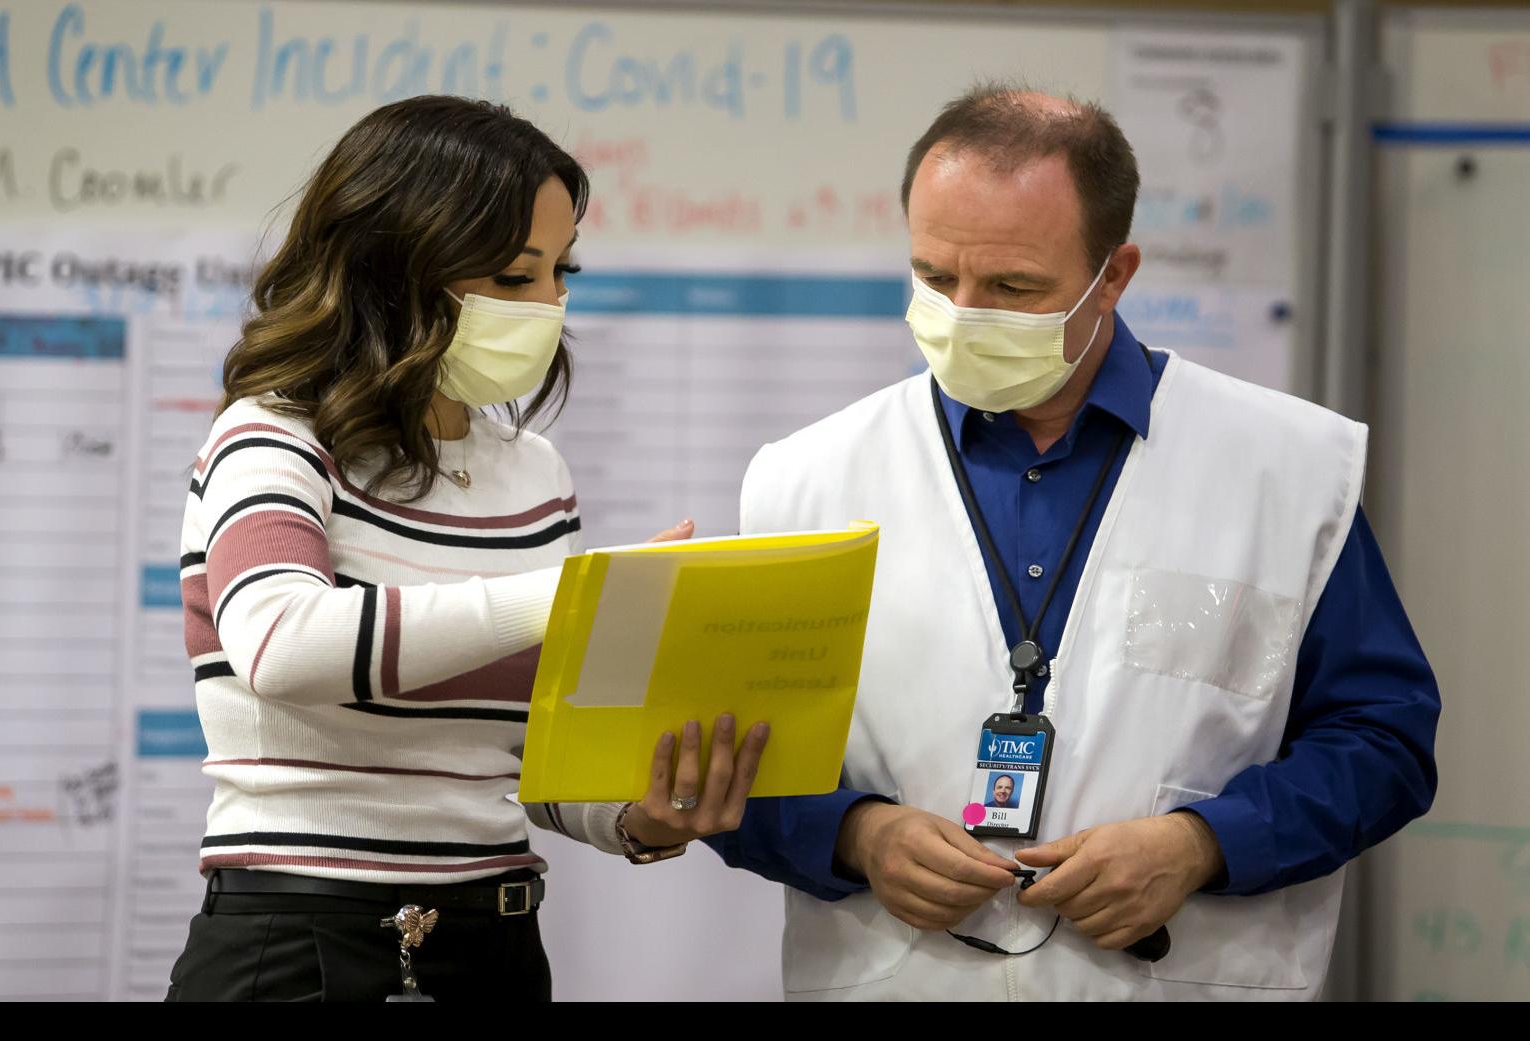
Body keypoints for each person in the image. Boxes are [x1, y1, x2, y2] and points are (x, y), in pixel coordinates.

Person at [706, 84, 1439, 1001]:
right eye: (933, 276)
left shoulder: (1284, 469)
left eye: (1012, 288)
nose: (963, 313)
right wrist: (854, 834)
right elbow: (725, 761)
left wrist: (1203, 844)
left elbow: (1382, 739)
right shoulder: (804, 480)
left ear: (1114, 273)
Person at [166, 95, 768, 1003]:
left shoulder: (535, 472)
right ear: (394, 267)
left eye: (561, 270)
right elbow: (280, 643)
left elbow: (532, 761)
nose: (552, 303)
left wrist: (644, 817)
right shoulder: (272, 436)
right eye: (516, 275)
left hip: (496, 941)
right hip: (301, 938)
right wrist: (569, 595)